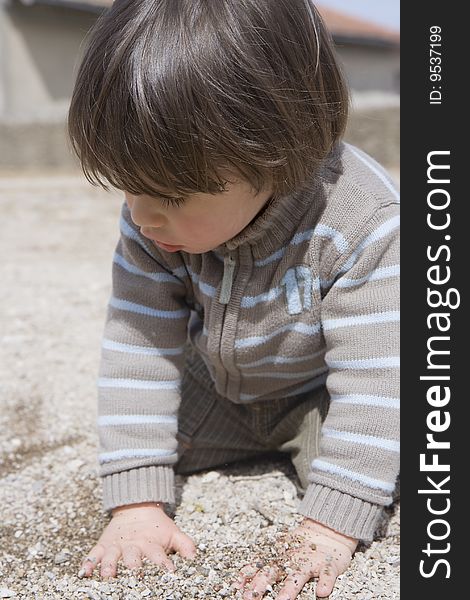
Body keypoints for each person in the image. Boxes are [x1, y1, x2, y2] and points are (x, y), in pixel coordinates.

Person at [67, 0, 400, 598]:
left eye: (170, 192)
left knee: (391, 465)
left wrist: (327, 530)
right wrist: (137, 504)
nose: (141, 215)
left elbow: (378, 382)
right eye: (128, 186)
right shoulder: (155, 222)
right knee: (133, 450)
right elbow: (138, 348)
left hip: (316, 400)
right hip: (216, 388)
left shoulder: (363, 221)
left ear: (275, 148)